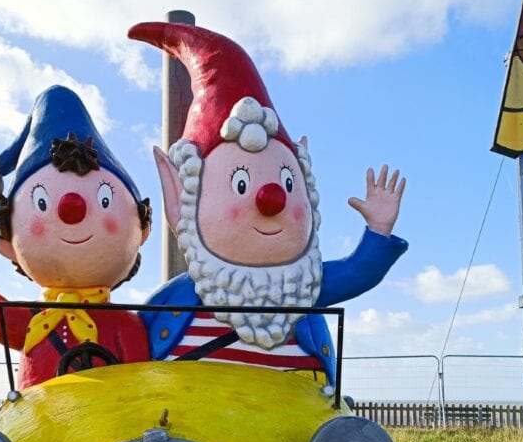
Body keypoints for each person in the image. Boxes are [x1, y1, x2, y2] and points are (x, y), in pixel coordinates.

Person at [128, 22, 408, 393]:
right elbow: (129, 345)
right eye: (241, 184)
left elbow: (357, 272)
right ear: (179, 197)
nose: (272, 199)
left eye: (289, 184)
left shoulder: (303, 288)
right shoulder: (175, 302)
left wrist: (378, 231)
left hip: (296, 416)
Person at [0, 85, 152, 390]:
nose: (72, 210)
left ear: (141, 232)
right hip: (38, 416)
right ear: (9, 247)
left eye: (104, 200)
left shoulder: (126, 326)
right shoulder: (32, 321)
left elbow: (140, 382)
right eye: (41, 203)